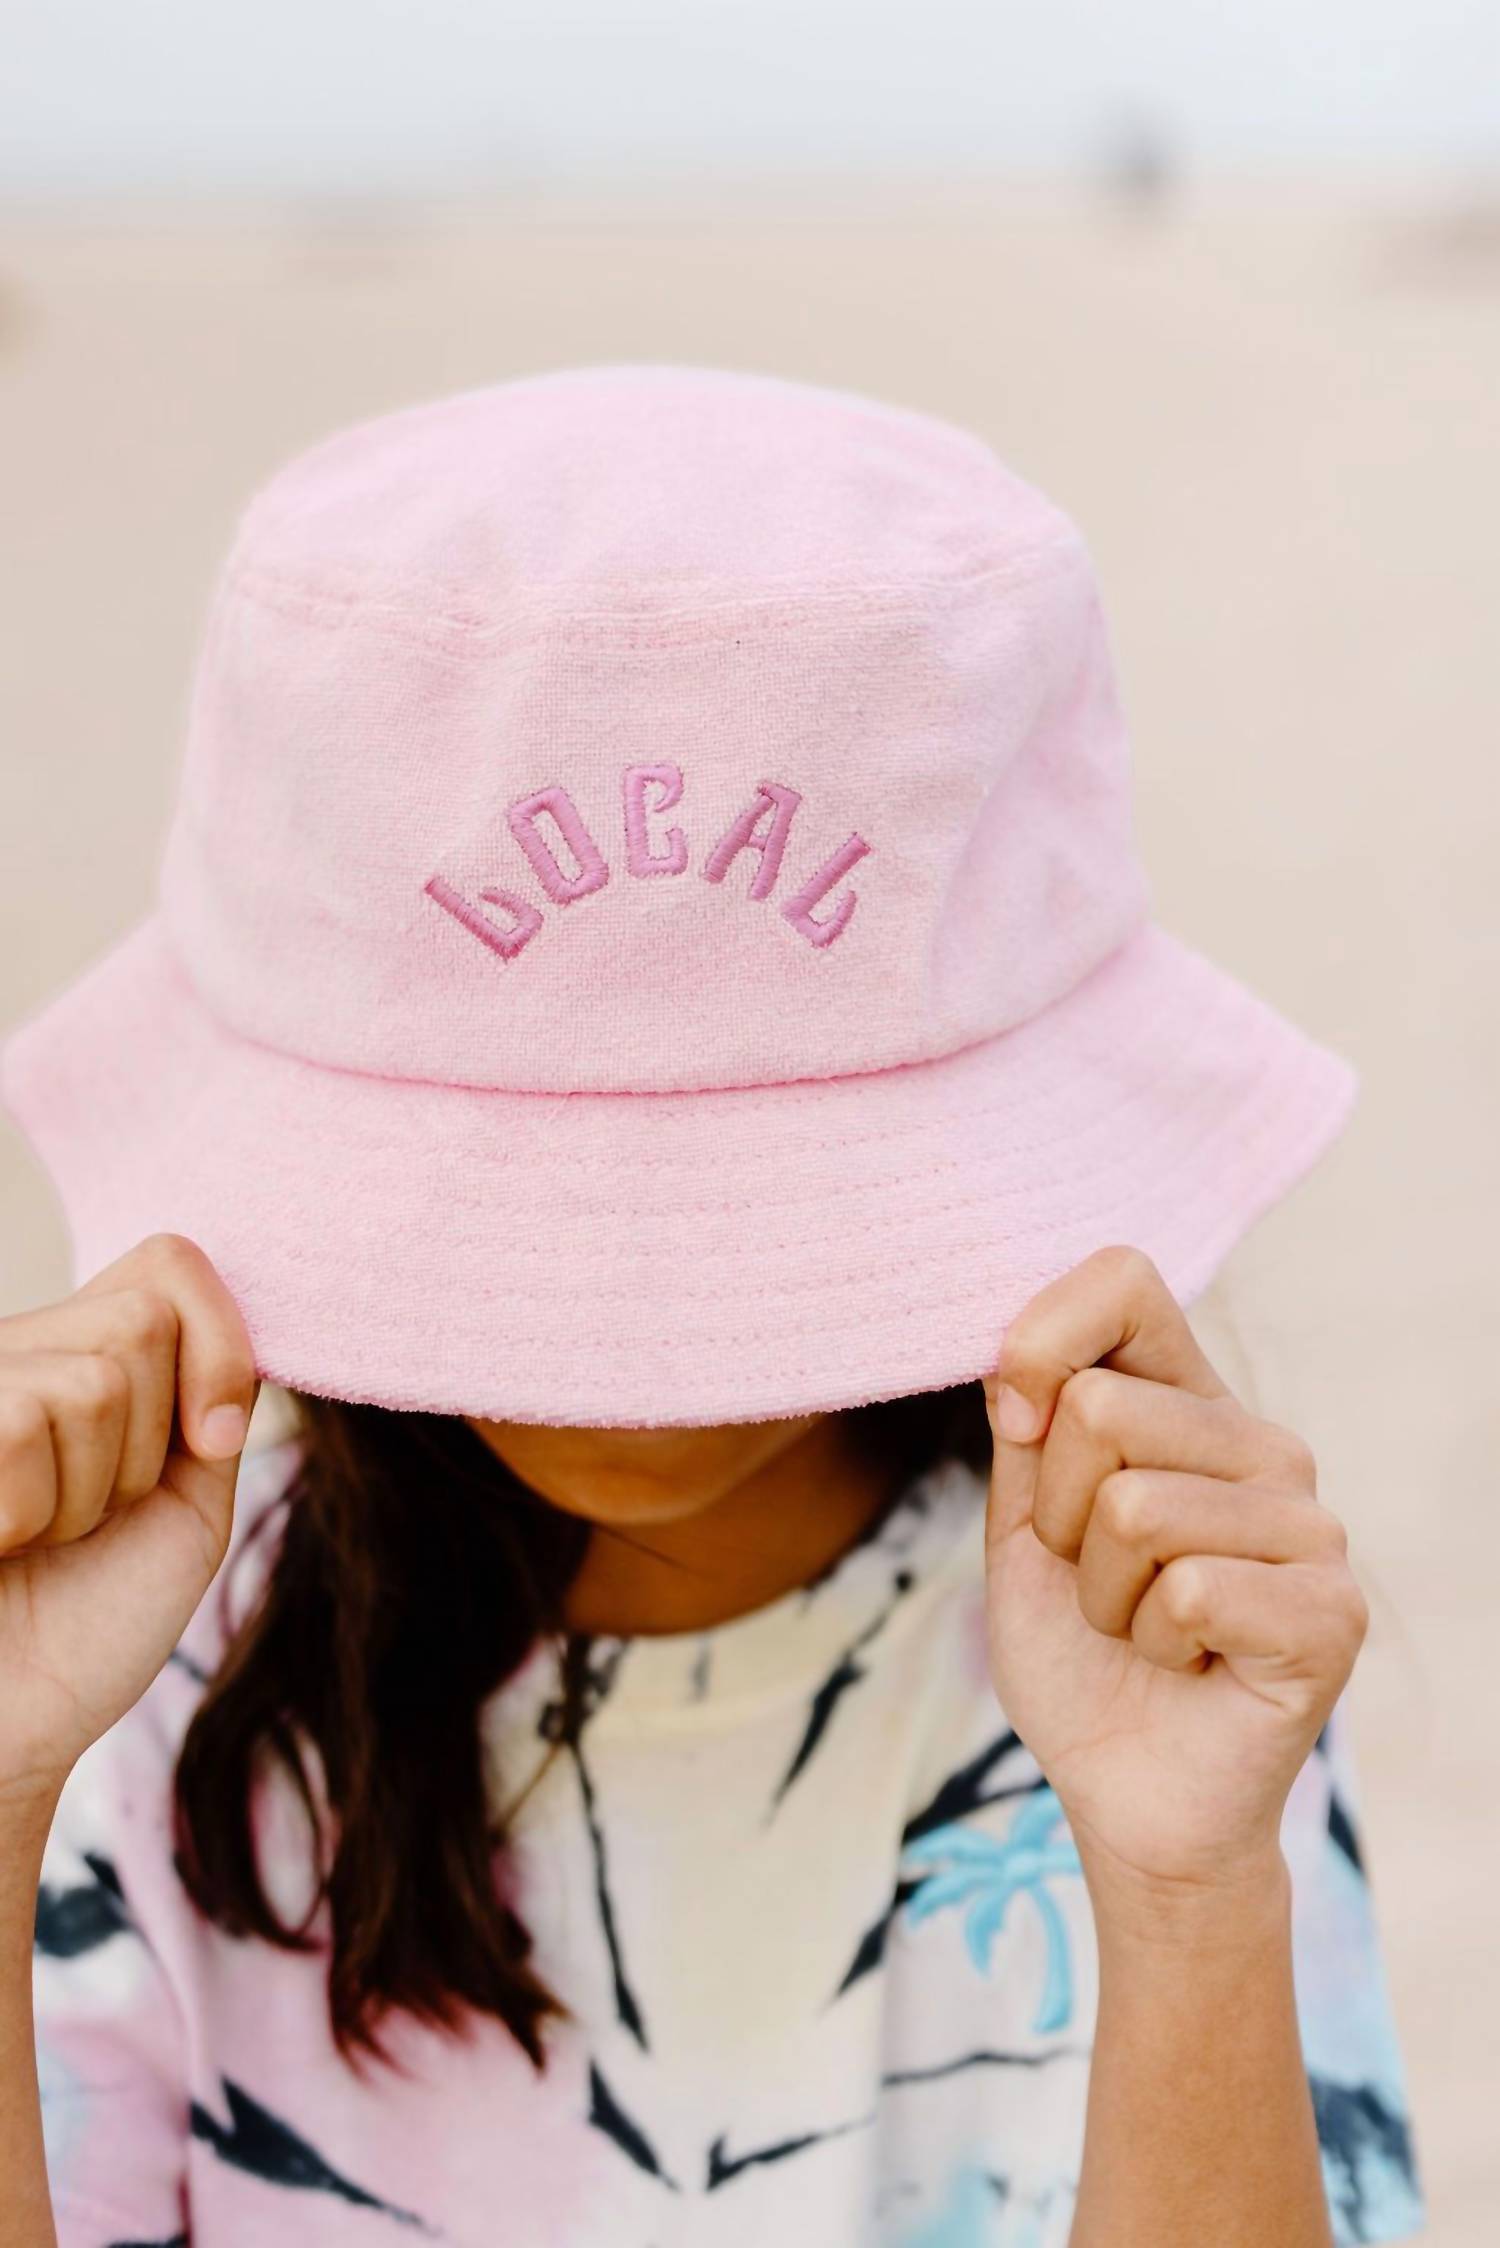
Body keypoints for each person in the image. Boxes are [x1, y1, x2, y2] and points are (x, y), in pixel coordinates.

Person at [0, 367, 1422, 2246]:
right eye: (535, 1203)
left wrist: (1185, 1896)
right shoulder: (129, 1680)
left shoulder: (1164, 1653)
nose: (635, 1347)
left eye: (732, 1205)